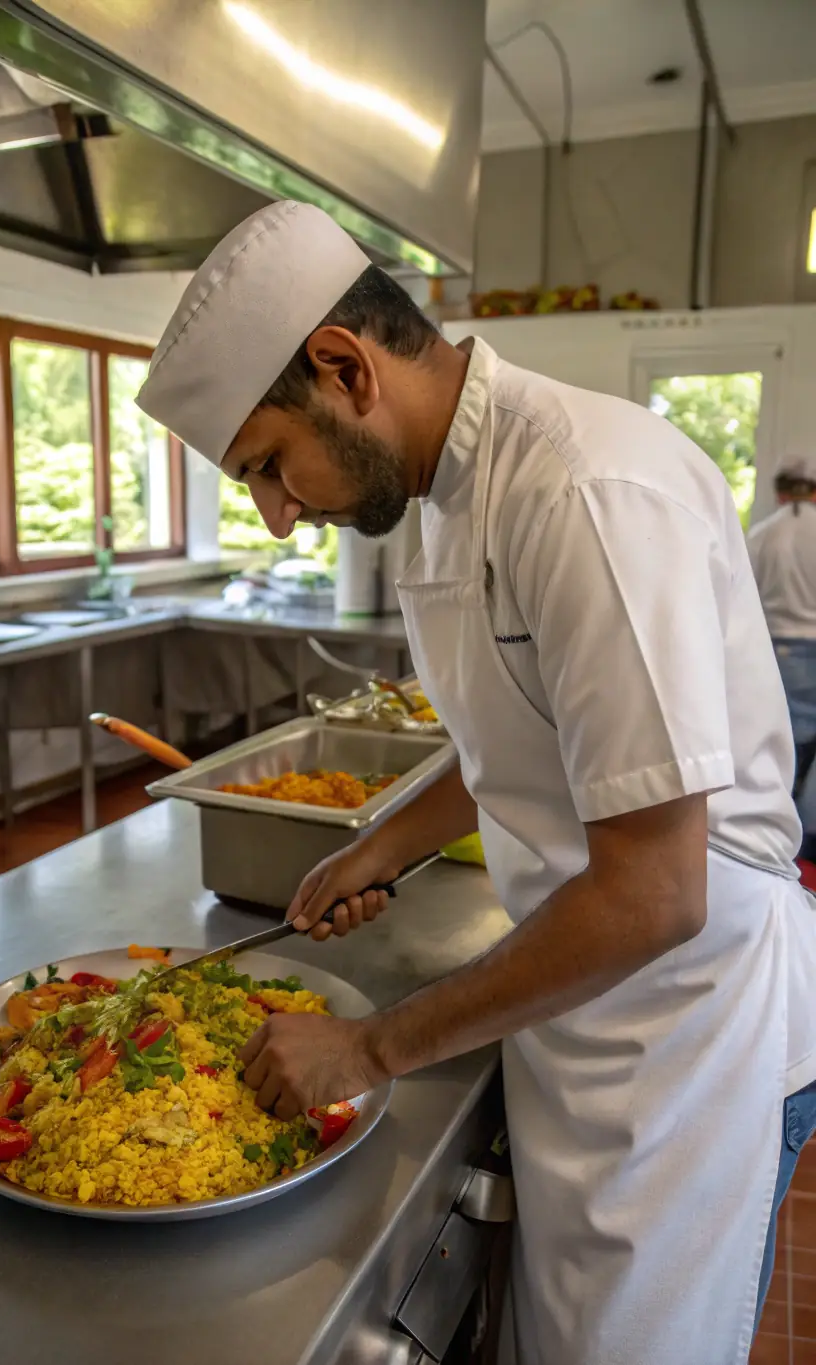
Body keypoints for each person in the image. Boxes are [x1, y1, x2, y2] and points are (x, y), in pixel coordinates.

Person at [138, 200, 816, 1365]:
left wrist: (369, 1046)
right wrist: (383, 840)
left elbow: (657, 896)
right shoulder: (450, 497)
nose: (279, 513)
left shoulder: (588, 494)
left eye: (267, 466)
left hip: (686, 1023)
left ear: (343, 367)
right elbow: (523, 735)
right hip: (581, 998)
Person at [748, 458, 816, 862]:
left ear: (779, 491)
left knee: (783, 748)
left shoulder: (761, 535)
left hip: (778, 652)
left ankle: (776, 840)